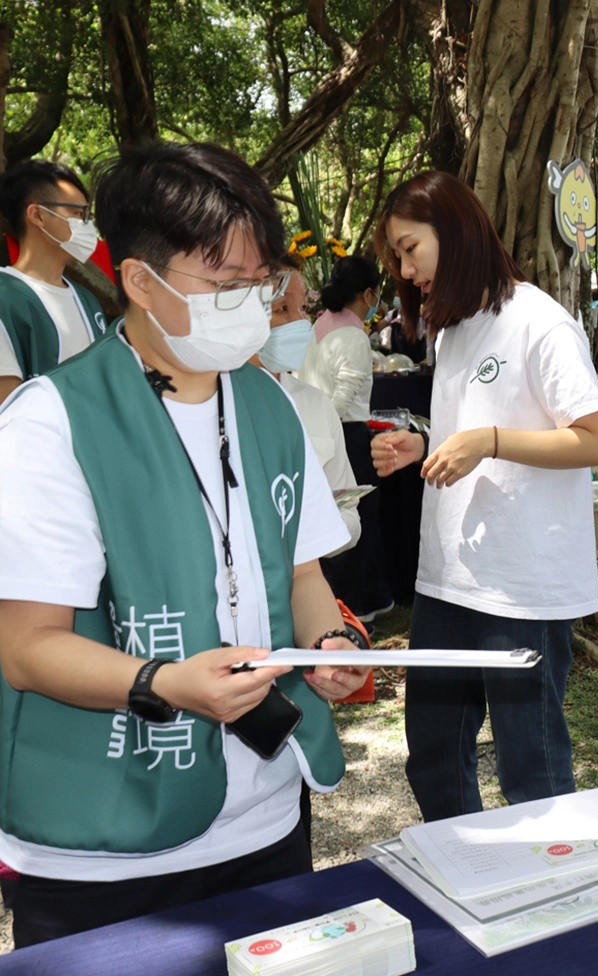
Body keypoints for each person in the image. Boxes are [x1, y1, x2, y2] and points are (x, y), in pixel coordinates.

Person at [0, 141, 370, 946]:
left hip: (265, 822)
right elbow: (27, 649)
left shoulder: (269, 406)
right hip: (107, 845)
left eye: (260, 284)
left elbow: (300, 570)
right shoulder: (52, 421)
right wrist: (166, 681)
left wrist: (327, 641)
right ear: (140, 280)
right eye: (226, 285)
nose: (253, 305)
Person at [370, 171, 598, 820]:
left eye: (410, 248)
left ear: (451, 232)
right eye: (396, 255)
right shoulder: (451, 330)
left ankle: (558, 903)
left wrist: (491, 440)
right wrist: (427, 448)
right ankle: (468, 884)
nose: (404, 267)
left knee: (529, 768)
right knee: (432, 755)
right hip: (447, 580)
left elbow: (596, 441)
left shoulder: (538, 322)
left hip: (520, 588)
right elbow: (469, 434)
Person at [302, 254, 391, 623]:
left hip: (320, 430)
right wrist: (330, 425)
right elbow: (344, 393)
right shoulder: (353, 334)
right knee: (358, 517)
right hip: (347, 435)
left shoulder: (318, 325)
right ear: (368, 294)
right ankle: (360, 602)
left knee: (338, 513)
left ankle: (358, 596)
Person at [254, 256, 361, 554]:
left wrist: (314, 531)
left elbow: (350, 514)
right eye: (283, 309)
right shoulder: (218, 404)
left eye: (303, 308)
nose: (302, 322)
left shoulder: (317, 405)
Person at [0, 159, 111, 402]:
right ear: (38, 215)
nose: (86, 226)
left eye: (87, 216)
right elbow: (8, 409)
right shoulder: (5, 297)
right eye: (77, 214)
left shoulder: (87, 301)